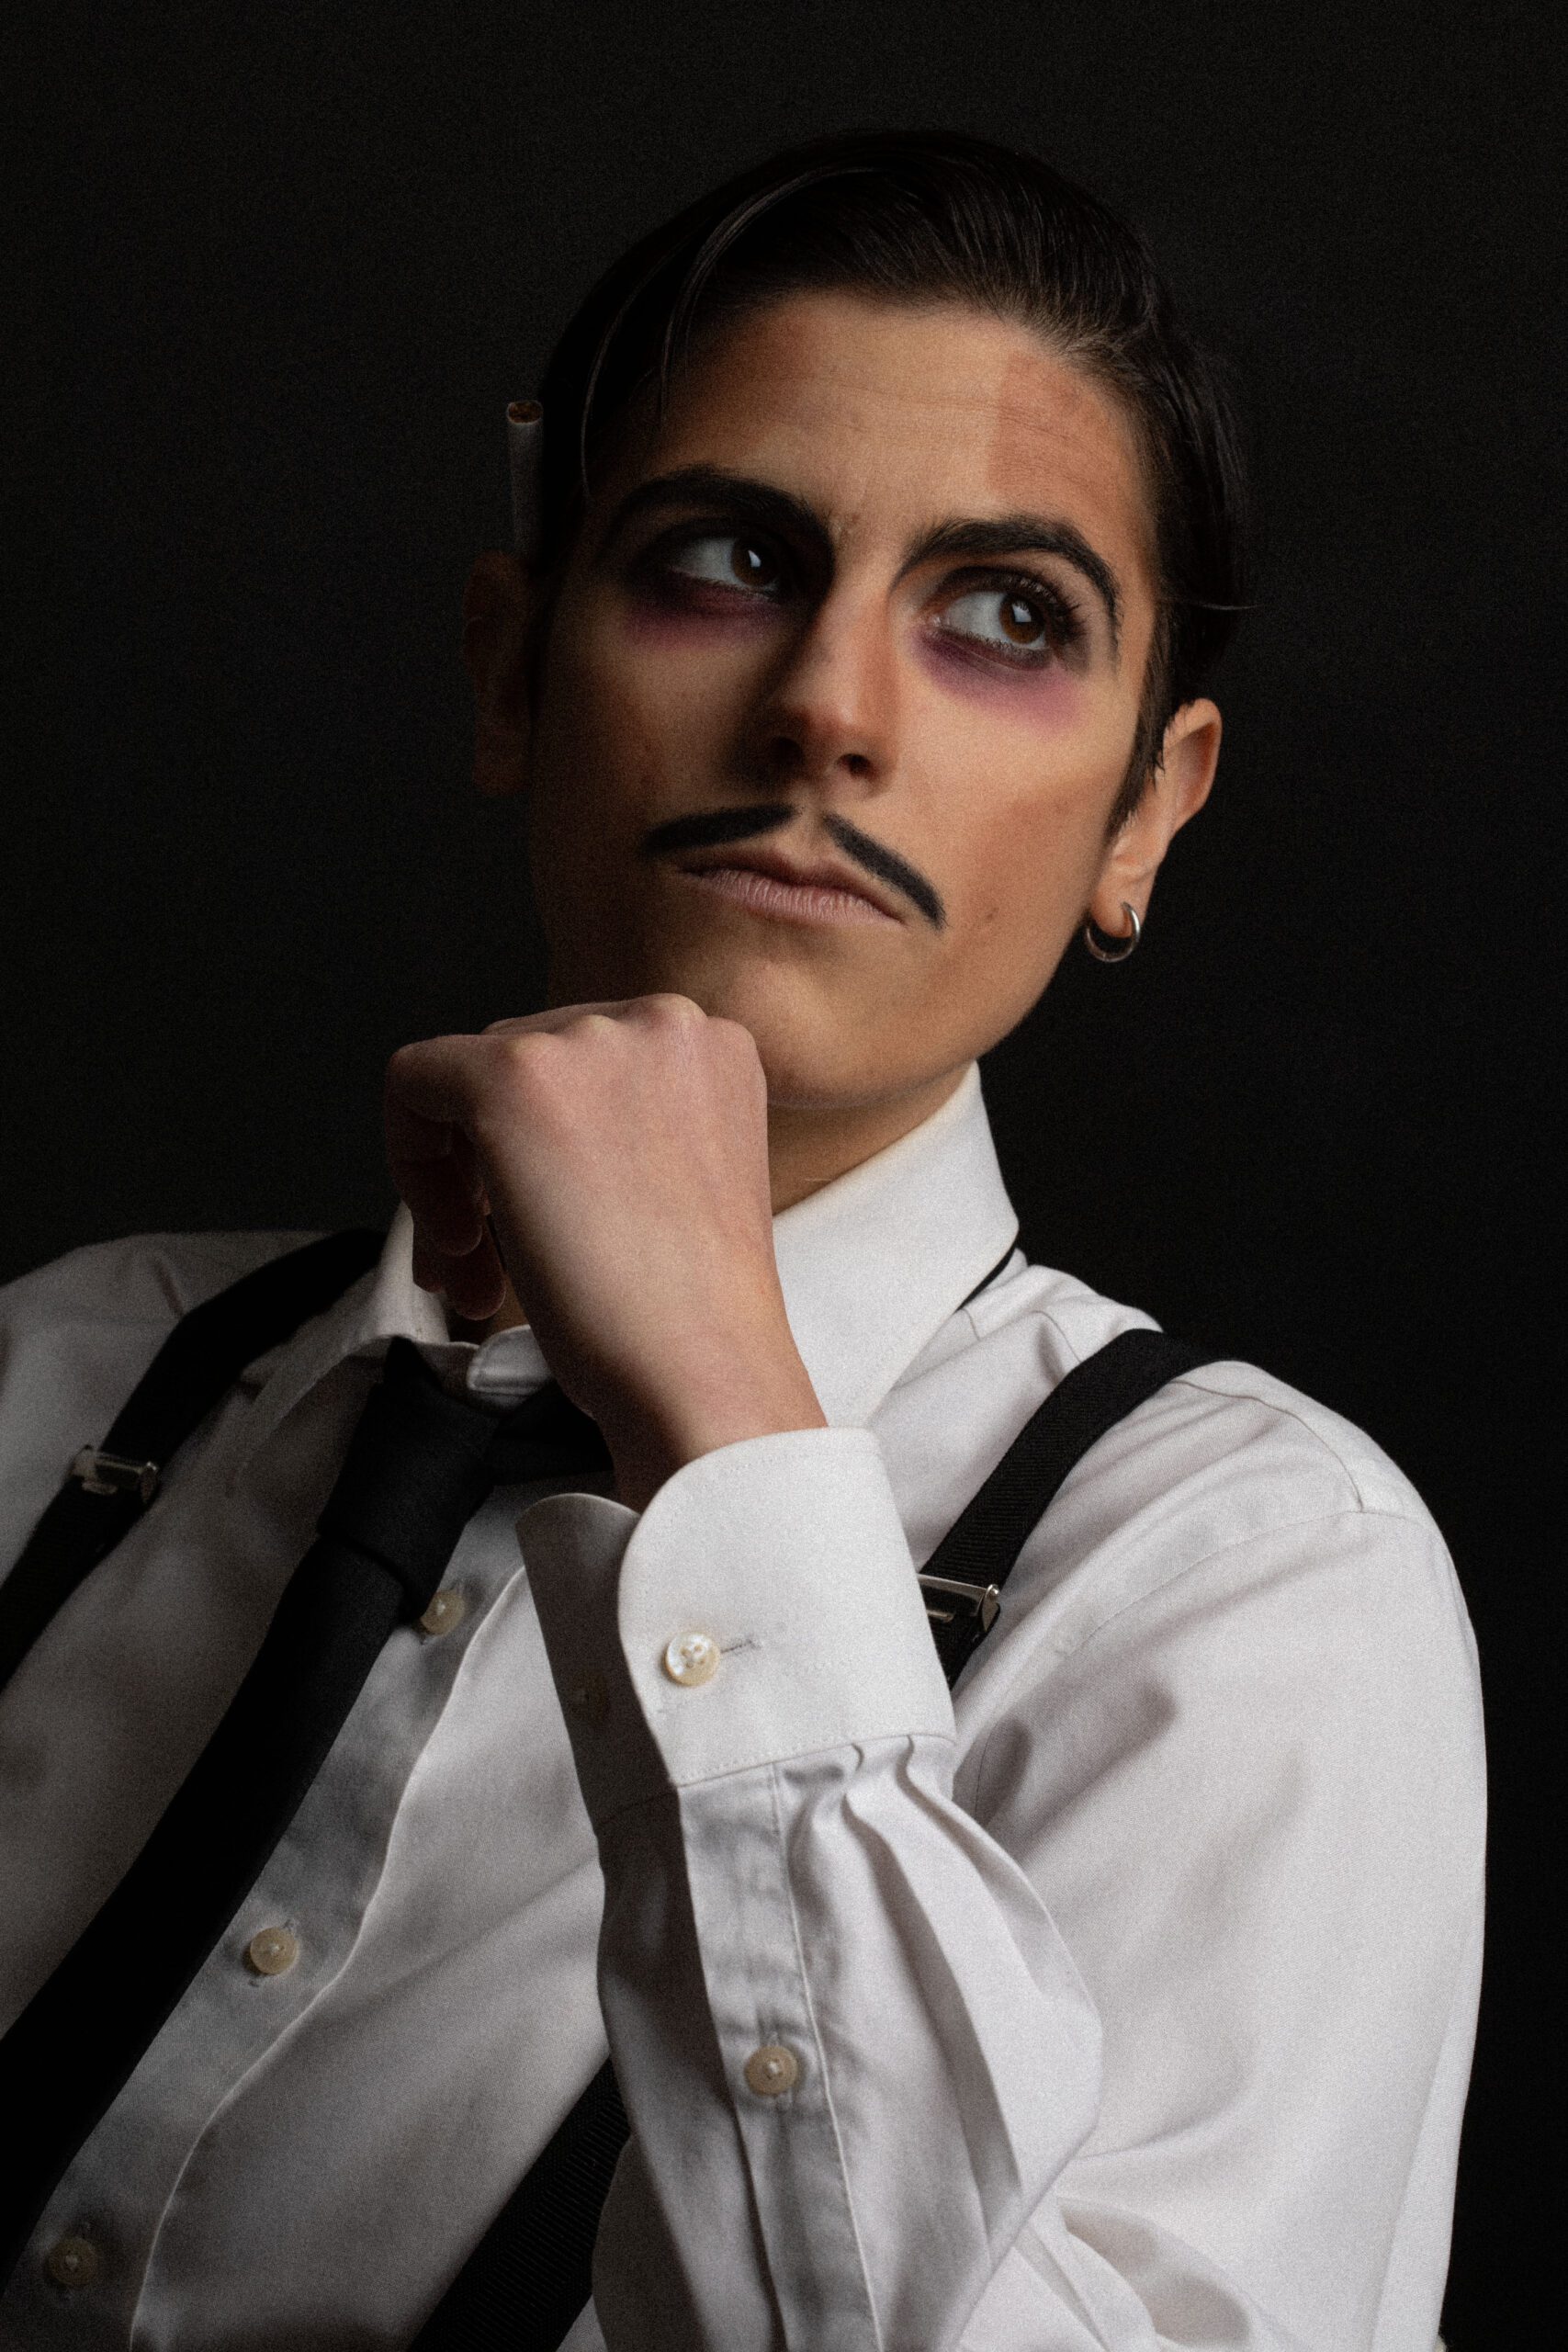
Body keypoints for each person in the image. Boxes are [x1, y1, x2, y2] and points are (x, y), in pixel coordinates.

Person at [0, 132, 1483, 2352]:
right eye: (724, 558)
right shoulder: (58, 1374)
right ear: (510, 670)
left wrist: (720, 1422)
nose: (827, 709)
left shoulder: (1242, 1586)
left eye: (1007, 615)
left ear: (1144, 811)